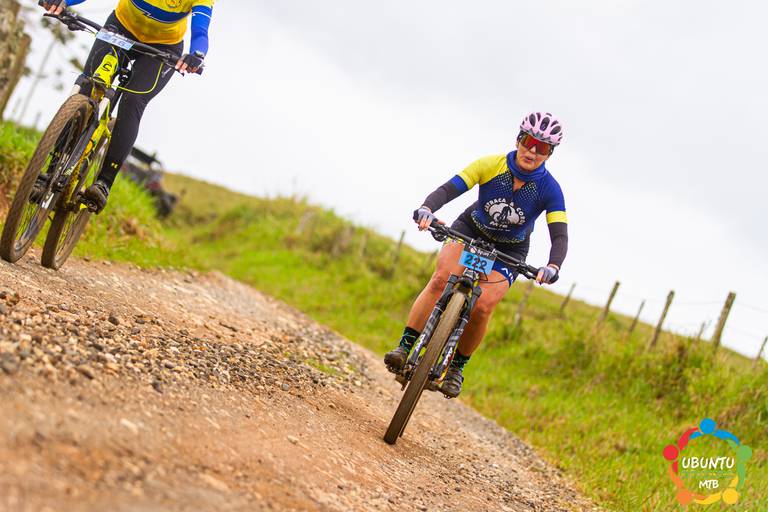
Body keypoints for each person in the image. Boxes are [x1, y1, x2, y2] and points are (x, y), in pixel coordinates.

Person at [384, 112, 569, 398]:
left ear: (549, 154)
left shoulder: (550, 189)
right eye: (529, 142)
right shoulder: (490, 165)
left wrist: (553, 265)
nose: (532, 151)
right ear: (518, 139)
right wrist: (427, 209)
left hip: (509, 250)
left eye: (542, 147)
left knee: (482, 307)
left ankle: (456, 369)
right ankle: (405, 346)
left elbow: (559, 234)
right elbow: (450, 188)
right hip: (469, 230)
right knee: (440, 280)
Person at [37, 0, 214, 212]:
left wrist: (197, 55)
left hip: (164, 47)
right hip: (121, 27)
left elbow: (200, 31)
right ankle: (50, 170)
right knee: (89, 84)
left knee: (132, 102)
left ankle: (104, 182)